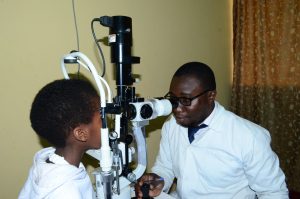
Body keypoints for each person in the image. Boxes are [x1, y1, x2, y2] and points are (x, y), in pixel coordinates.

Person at [135, 62, 289, 199]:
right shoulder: (172, 126)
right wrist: (158, 180)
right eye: (173, 100)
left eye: (186, 100)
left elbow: (274, 193)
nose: (177, 108)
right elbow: (165, 168)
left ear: (211, 96)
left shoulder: (249, 137)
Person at [19, 79, 101, 199]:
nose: (107, 123)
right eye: (101, 119)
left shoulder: (47, 165)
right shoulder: (66, 193)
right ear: (81, 134)